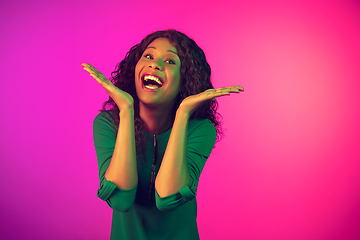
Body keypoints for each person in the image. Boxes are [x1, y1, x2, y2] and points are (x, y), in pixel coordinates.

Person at [82, 29, 243, 240]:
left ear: (185, 79)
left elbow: (167, 198)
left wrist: (184, 113)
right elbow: (120, 200)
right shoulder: (108, 124)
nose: (155, 64)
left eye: (170, 61)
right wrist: (127, 110)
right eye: (148, 56)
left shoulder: (200, 129)